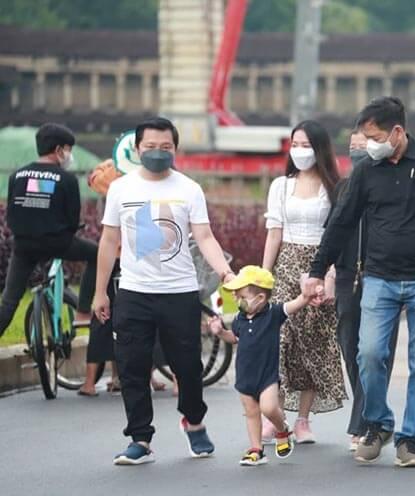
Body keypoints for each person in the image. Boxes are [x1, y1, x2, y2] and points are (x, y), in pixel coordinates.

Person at [304, 96, 415, 468]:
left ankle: (410, 438)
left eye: (374, 136)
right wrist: (317, 270)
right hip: (379, 278)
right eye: (363, 137)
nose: (369, 144)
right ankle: (378, 423)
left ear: (397, 131)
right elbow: (342, 222)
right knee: (370, 354)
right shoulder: (367, 171)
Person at [93, 117, 235, 465]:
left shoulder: (188, 189)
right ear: (138, 149)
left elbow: (204, 236)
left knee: (187, 366)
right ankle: (140, 439)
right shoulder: (121, 189)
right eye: (151, 147)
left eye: (166, 147)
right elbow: (109, 240)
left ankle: (194, 421)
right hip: (134, 292)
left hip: (179, 292)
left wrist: (225, 271)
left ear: (175, 149)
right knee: (132, 366)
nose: (158, 153)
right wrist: (100, 293)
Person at [262, 119, 346, 444]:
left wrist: (329, 275)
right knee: (281, 341)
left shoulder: (334, 188)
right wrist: (264, 275)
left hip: (319, 267)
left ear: (320, 148)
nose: (299, 151)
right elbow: (273, 233)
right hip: (285, 266)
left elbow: (338, 235)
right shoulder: (280, 186)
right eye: (294, 145)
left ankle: (303, 420)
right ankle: (276, 415)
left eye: (306, 145)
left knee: (313, 342)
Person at [209, 266, 315, 466]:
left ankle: (281, 428)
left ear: (260, 298)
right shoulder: (240, 318)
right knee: (251, 413)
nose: (236, 300)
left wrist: (306, 296)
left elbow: (294, 305)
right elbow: (235, 338)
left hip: (267, 376)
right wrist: (221, 332)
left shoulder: (273, 313)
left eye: (241, 296)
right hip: (245, 376)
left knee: (268, 408)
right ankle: (256, 449)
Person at [334, 129, 399, 452]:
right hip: (347, 276)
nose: (357, 151)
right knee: (351, 347)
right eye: (352, 147)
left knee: (375, 351)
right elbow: (332, 231)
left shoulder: (389, 185)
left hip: (383, 276)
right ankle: (369, 412)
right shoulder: (342, 188)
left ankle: (364, 422)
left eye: (363, 146)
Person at [0, 123, 97, 337]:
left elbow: (12, 214)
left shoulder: (17, 175)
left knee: (9, 302)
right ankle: (82, 312)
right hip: (59, 243)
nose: (70, 154)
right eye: (69, 149)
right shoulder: (67, 179)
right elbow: (72, 221)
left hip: (23, 246)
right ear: (59, 150)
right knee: (96, 254)